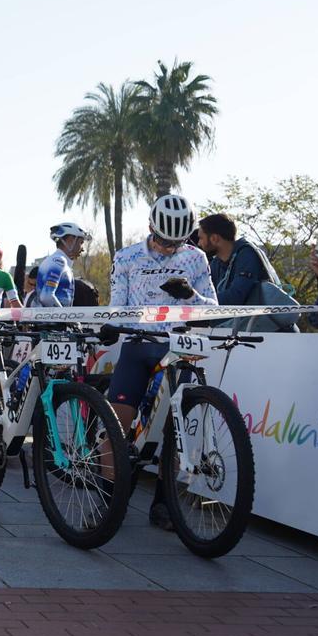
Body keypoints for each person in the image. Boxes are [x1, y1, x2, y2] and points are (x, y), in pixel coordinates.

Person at [102, 194, 217, 531]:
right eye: (165, 239)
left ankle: (164, 504)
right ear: (151, 227)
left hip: (178, 348)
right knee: (116, 424)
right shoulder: (126, 257)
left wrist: (191, 298)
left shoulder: (196, 259)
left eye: (177, 241)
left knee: (175, 430)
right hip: (140, 346)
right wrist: (111, 324)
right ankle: (109, 499)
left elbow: (214, 306)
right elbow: (116, 306)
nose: (170, 247)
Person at [35, 223, 90, 307]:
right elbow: (46, 297)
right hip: (52, 319)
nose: (82, 248)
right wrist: (65, 318)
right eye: (81, 243)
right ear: (70, 240)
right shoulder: (59, 261)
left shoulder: (56, 260)